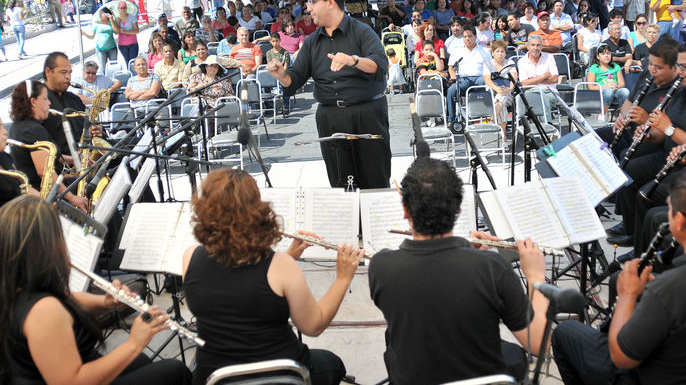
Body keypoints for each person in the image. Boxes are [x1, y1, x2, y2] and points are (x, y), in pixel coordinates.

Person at [369, 157, 549, 384]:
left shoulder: (381, 266)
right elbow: (539, 343)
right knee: (513, 355)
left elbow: (430, 286)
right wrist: (535, 276)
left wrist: (465, 253)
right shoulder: (492, 268)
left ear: (405, 210)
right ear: (458, 207)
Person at [183, 169, 361, 385]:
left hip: (214, 377)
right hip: (281, 375)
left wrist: (288, 256)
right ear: (256, 212)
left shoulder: (190, 257)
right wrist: (343, 278)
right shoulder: (281, 266)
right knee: (333, 364)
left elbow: (237, 287)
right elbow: (313, 326)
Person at [553, 165, 686, 385]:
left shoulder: (670, 288)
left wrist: (627, 295)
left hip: (651, 377)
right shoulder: (672, 286)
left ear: (679, 223)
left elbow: (621, 357)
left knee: (565, 333)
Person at [0, 195, 192, 384]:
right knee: (174, 371)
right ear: (43, 248)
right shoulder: (43, 311)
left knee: (141, 361)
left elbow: (67, 298)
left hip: (80, 364)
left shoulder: (16, 285)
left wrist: (105, 302)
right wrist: (134, 343)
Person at [266, 0, 390, 189]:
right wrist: (281, 76)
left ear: (330, 2)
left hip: (367, 114)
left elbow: (380, 65)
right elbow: (294, 79)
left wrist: (353, 60)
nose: (308, 8)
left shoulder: (362, 31)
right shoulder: (312, 42)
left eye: (313, 2)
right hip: (330, 118)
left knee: (375, 181)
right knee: (340, 183)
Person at [612, 39, 686, 251]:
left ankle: (643, 252)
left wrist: (669, 129)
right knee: (627, 170)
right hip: (668, 154)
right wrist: (650, 134)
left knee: (646, 195)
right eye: (678, 66)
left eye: (685, 67)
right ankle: (634, 235)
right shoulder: (682, 88)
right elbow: (664, 131)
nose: (680, 72)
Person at [8, 80, 87, 210]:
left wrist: (73, 159)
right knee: (92, 189)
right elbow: (45, 172)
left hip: (41, 191)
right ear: (33, 101)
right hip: (45, 195)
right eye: (45, 99)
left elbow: (48, 157)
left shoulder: (18, 126)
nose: (49, 102)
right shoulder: (32, 130)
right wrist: (72, 198)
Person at [446, 27, 488, 123]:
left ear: (475, 37)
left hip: (480, 78)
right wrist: (453, 76)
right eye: (465, 37)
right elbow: (451, 68)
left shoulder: (484, 51)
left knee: (487, 84)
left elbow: (490, 67)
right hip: (463, 79)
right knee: (451, 90)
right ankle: (452, 120)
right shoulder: (457, 51)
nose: (467, 39)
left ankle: (487, 116)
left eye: (470, 36)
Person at [483, 39, 516, 139]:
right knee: (501, 104)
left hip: (510, 94)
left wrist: (509, 89)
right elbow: (487, 80)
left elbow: (514, 79)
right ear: (492, 53)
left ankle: (493, 119)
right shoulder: (487, 64)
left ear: (505, 53)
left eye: (502, 51)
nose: (500, 54)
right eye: (497, 51)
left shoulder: (510, 62)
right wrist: (497, 89)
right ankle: (503, 137)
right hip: (494, 94)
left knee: (501, 97)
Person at [517, 35, 559, 110]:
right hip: (531, 92)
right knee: (519, 98)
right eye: (533, 45)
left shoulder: (549, 57)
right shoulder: (522, 61)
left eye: (538, 45)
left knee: (541, 99)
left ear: (542, 47)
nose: (535, 48)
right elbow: (524, 84)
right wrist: (543, 77)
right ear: (528, 47)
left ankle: (544, 118)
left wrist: (533, 80)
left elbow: (554, 79)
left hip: (549, 91)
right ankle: (521, 117)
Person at [587, 43, 630, 112]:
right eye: (603, 54)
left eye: (608, 53)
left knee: (625, 91)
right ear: (598, 56)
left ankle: (622, 115)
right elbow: (591, 87)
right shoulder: (594, 68)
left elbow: (622, 84)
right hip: (600, 92)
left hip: (615, 90)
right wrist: (607, 87)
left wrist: (616, 87)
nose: (606, 56)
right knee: (608, 91)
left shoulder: (616, 66)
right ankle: (602, 114)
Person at [81, 8, 118, 76]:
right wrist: (85, 34)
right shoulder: (96, 23)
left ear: (107, 14)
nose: (101, 15)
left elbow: (116, 32)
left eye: (102, 13)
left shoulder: (111, 22)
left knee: (113, 66)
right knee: (102, 67)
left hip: (112, 48)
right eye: (100, 14)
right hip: (100, 49)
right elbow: (92, 36)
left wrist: (111, 19)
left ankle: (113, 79)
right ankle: (104, 80)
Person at [116, 0, 140, 68]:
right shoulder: (117, 19)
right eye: (121, 8)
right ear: (118, 9)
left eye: (125, 7)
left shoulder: (132, 17)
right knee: (127, 62)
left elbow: (137, 30)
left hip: (133, 43)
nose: (123, 9)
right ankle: (129, 74)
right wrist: (117, 22)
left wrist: (125, 32)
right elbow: (116, 32)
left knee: (132, 62)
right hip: (122, 44)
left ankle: (133, 73)